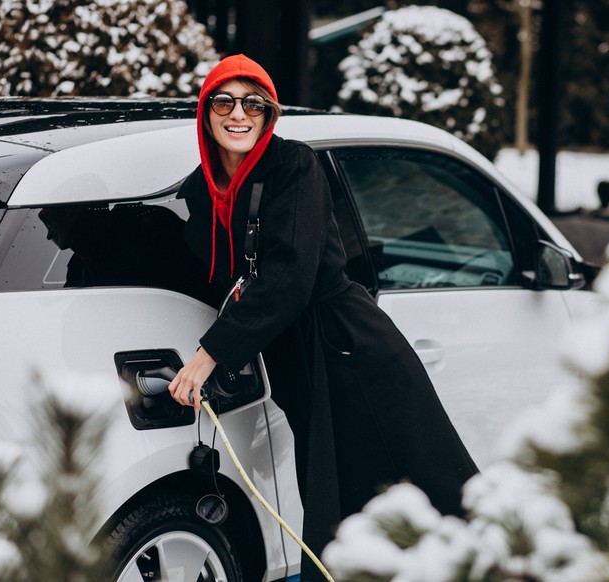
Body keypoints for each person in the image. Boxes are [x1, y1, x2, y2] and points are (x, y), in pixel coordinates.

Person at [168, 54, 478, 580]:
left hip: (352, 348)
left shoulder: (294, 167)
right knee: (339, 509)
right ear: (206, 111)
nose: (238, 114)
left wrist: (207, 356)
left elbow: (289, 277)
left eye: (253, 103)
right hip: (300, 361)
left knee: (426, 496)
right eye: (224, 100)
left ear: (269, 115)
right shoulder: (202, 189)